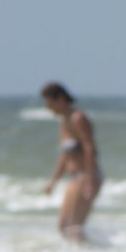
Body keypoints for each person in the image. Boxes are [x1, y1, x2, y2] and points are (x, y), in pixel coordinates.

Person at [40, 82, 102, 241]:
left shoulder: (78, 118)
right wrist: (53, 182)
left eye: (49, 103)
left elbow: (89, 148)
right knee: (63, 226)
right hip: (74, 178)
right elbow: (65, 156)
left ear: (60, 99)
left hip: (86, 175)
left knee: (74, 227)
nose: (48, 108)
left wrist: (89, 180)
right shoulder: (64, 121)